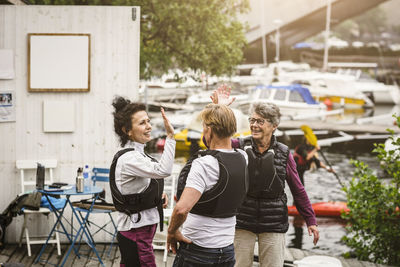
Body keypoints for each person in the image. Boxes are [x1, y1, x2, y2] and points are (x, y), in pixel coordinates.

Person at [211, 88, 319, 267]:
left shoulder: (284, 153)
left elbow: (298, 190)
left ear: (273, 125)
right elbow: (212, 142)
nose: (254, 125)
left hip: (273, 223)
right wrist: (218, 109)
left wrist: (311, 220)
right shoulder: (239, 145)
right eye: (252, 120)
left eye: (260, 121)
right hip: (242, 219)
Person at [167, 104, 249, 267]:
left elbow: (182, 209)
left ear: (210, 130)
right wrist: (221, 109)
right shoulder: (243, 157)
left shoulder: (204, 164)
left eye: (204, 127)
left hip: (197, 249)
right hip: (226, 249)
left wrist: (171, 231)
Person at [110, 96, 176, 267]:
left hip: (140, 232)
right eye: (142, 123)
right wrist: (170, 136)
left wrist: (156, 197)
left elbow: (139, 187)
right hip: (136, 233)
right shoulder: (130, 158)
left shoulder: (137, 154)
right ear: (127, 130)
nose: (149, 126)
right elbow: (164, 171)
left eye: (148, 121)